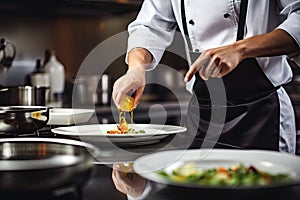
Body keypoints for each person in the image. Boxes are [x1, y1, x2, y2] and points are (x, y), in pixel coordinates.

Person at [112, 0, 300, 197]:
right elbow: (149, 26)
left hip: (262, 115)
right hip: (202, 117)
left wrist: (241, 49)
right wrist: (136, 68)